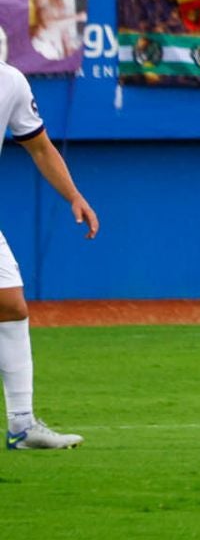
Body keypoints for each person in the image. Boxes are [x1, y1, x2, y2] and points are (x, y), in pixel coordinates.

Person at [0, 60, 98, 450]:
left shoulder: (10, 82)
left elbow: (40, 147)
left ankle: (22, 425)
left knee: (11, 305)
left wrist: (73, 195)